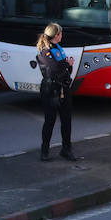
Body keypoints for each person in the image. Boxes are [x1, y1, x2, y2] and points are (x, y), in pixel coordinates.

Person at [35, 23, 76, 161]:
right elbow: (53, 68)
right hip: (50, 89)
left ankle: (66, 149)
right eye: (60, 34)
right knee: (50, 121)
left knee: (66, 121)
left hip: (63, 87)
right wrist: (67, 64)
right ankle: (44, 150)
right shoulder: (44, 51)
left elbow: (64, 69)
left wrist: (68, 67)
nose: (61, 36)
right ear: (56, 35)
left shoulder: (58, 48)